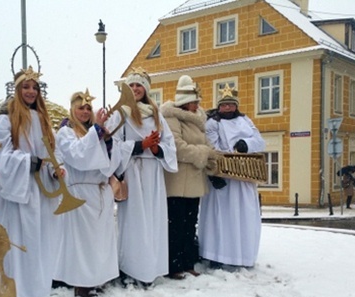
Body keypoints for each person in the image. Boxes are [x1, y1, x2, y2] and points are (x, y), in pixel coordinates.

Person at [0, 66, 63, 297]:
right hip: (18, 194)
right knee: (18, 247)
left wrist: (55, 170)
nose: (31, 91)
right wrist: (29, 163)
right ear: (16, 90)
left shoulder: (42, 120)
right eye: (25, 87)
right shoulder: (5, 120)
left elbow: (52, 153)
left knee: (35, 247)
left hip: (39, 193)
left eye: (34, 87)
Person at [104, 67, 178, 285]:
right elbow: (111, 144)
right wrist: (139, 145)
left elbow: (169, 143)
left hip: (153, 173)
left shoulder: (156, 114)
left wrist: (156, 150)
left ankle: (151, 268)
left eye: (139, 86)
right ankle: (131, 268)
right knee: (135, 223)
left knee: (153, 221)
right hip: (133, 172)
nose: (135, 89)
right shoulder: (121, 112)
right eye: (132, 85)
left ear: (146, 90)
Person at [53, 89, 121, 297]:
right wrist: (97, 132)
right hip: (81, 191)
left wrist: (108, 140)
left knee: (100, 239)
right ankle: (82, 284)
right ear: (72, 109)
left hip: (100, 190)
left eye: (88, 108)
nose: (84, 111)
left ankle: (98, 278)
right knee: (83, 241)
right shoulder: (66, 132)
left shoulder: (95, 132)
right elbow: (77, 155)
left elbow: (113, 161)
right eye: (80, 107)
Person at [198, 84, 266, 270]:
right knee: (220, 218)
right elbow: (211, 148)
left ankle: (243, 254)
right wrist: (213, 172)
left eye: (230, 104)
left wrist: (246, 144)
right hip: (223, 178)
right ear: (219, 107)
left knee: (243, 217)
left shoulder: (246, 121)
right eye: (223, 105)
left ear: (236, 106)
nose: (227, 108)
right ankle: (216, 254)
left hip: (245, 177)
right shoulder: (212, 123)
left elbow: (260, 141)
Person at [160, 75, 219, 280]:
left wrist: (213, 157)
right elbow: (176, 147)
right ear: (185, 102)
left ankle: (187, 262)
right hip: (177, 181)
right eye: (194, 101)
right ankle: (173, 265)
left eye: (197, 102)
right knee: (175, 225)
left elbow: (206, 143)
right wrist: (203, 153)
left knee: (189, 224)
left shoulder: (199, 119)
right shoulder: (171, 118)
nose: (197, 105)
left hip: (194, 180)